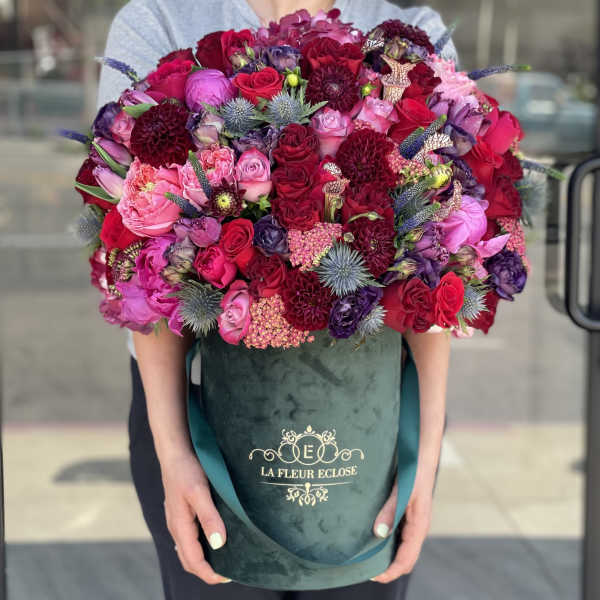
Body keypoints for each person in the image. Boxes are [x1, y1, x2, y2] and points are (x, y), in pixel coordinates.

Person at [97, 1, 457, 598]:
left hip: (374, 416)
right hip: (193, 409)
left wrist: (425, 453)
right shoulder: (157, 19)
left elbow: (437, 263)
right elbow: (141, 257)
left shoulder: (409, 32)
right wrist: (175, 452)